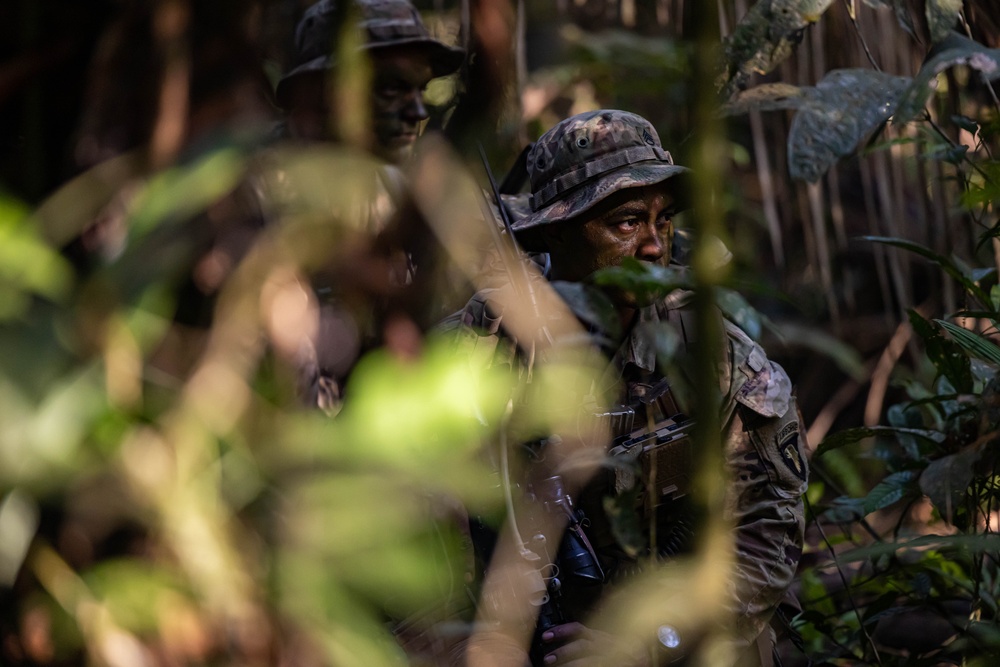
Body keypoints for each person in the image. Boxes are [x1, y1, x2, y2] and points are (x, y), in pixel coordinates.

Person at [447, 109, 808, 666]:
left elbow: (766, 532)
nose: (653, 246)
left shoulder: (712, 352)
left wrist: (652, 641)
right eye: (626, 222)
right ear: (556, 231)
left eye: (663, 221)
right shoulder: (477, 352)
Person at [274, 0, 464, 164]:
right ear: (322, 92)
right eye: (391, 89)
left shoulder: (401, 188)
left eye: (421, 90)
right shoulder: (263, 188)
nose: (418, 112)